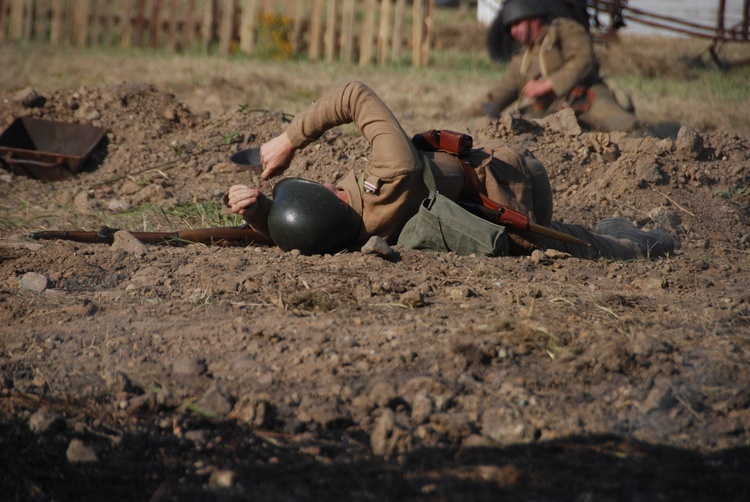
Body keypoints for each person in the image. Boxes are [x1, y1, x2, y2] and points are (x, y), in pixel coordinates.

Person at [226, 80, 672, 258]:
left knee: (569, 237)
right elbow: (352, 94)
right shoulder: (390, 171)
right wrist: (288, 139)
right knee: (583, 245)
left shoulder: (349, 234)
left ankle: (620, 232)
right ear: (329, 193)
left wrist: (260, 215)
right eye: (320, 187)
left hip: (483, 194)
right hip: (512, 180)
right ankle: (645, 239)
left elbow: (307, 232)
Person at [475, 0, 638, 132]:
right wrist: (457, 115)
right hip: (548, 110)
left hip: (585, 97)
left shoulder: (563, 30)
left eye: (517, 24)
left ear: (534, 18)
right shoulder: (522, 58)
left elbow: (583, 60)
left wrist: (548, 84)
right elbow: (500, 93)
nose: (513, 31)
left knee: (628, 128)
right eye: (510, 27)